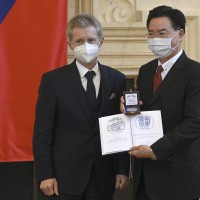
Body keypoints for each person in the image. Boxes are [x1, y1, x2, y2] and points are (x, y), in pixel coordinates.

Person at [33, 14, 129, 200]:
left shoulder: (117, 79)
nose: (86, 45)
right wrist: (45, 174)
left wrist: (123, 169)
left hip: (104, 177)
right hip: (64, 178)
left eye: (91, 40)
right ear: (70, 44)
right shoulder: (53, 81)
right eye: (79, 41)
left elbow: (122, 127)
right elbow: (42, 133)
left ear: (101, 41)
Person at [120, 5, 200, 200]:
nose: (155, 39)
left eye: (162, 33)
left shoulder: (195, 73)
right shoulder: (146, 70)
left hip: (177, 173)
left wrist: (156, 150)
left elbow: (194, 123)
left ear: (179, 34)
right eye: (151, 34)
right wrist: (129, 108)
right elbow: (146, 110)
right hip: (145, 174)